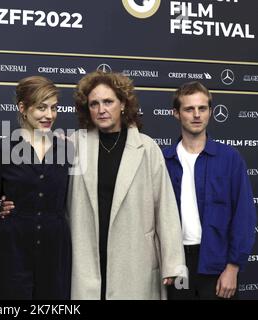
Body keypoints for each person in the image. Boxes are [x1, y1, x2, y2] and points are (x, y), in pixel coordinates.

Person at [68, 71, 185, 299]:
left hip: (135, 261)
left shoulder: (147, 147)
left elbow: (166, 209)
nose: (101, 109)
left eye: (108, 101)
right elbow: (49, 190)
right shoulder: (73, 145)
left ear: (122, 104)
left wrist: (173, 265)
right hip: (87, 260)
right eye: (94, 103)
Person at [163, 81, 256, 300]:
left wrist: (233, 268)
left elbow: (244, 217)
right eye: (189, 109)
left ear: (210, 112)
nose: (196, 115)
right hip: (177, 266)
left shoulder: (230, 158)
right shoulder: (163, 160)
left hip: (217, 264)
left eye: (202, 108)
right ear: (176, 113)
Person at [0, 76, 71, 299]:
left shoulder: (67, 149)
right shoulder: (1, 149)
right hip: (13, 254)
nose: (49, 115)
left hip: (55, 254)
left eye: (54, 108)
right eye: (41, 107)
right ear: (23, 108)